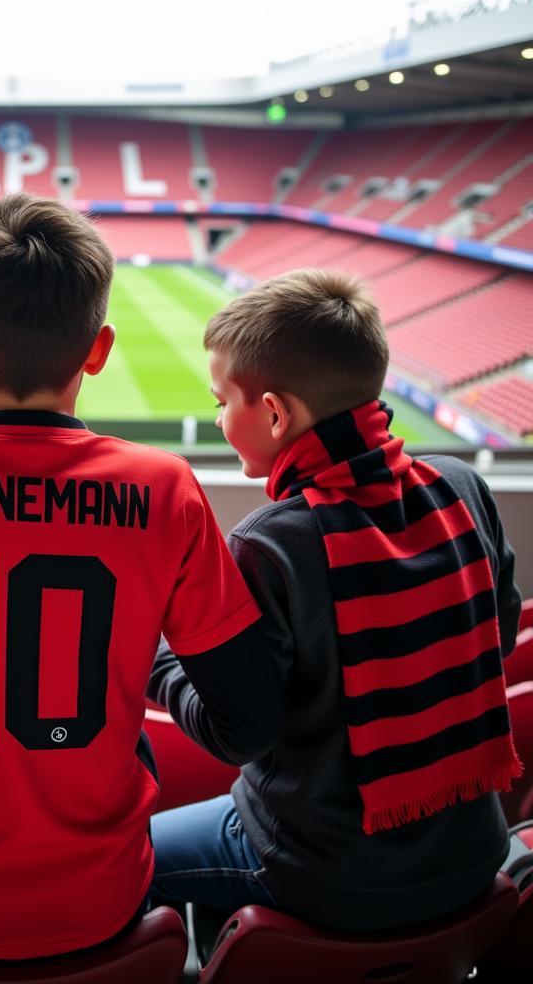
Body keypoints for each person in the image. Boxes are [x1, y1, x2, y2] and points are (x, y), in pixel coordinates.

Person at [0, 193, 274, 960]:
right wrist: (153, 667)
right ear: (98, 350)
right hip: (107, 902)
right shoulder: (164, 488)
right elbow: (248, 723)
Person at [149, 268, 523, 932]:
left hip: (322, 873)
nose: (216, 417)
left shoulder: (272, 544)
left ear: (272, 412)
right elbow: (494, 643)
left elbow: (237, 735)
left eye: (220, 401)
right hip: (474, 855)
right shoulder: (464, 488)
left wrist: (157, 656)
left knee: (123, 857)